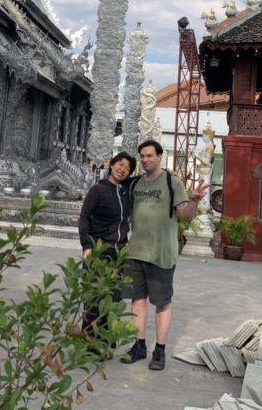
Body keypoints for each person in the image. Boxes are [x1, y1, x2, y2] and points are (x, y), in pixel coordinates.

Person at [122, 139, 207, 371]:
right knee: (137, 301)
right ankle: (139, 345)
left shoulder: (172, 182)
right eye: (142, 156)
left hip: (162, 254)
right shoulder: (135, 184)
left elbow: (185, 217)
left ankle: (159, 350)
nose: (145, 160)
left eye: (150, 155)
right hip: (136, 252)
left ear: (160, 156)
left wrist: (194, 201)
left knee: (162, 303)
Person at [77, 151, 136, 354]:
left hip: (118, 253)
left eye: (127, 168)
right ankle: (90, 344)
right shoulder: (98, 190)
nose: (122, 169)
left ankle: (107, 341)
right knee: (94, 297)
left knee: (114, 298)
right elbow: (84, 218)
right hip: (98, 250)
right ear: (111, 165)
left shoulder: (126, 191)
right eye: (119, 164)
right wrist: (86, 245)